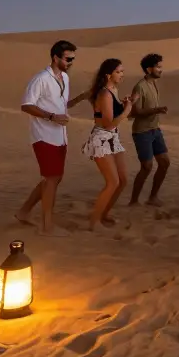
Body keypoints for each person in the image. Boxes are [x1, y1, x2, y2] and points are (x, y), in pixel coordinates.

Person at [16, 40, 86, 236]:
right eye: (68, 59)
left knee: (54, 178)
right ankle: (47, 226)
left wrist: (82, 97)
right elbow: (26, 105)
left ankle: (24, 212)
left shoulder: (65, 78)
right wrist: (51, 117)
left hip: (60, 136)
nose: (71, 62)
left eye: (73, 59)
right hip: (43, 135)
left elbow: (62, 104)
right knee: (51, 179)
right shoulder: (41, 79)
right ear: (56, 58)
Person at [80, 59, 136, 231]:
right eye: (118, 72)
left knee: (123, 180)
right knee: (112, 182)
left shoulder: (113, 90)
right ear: (108, 75)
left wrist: (125, 105)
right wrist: (126, 110)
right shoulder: (104, 94)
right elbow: (108, 124)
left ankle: (104, 214)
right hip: (101, 139)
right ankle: (94, 222)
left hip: (113, 138)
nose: (122, 75)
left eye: (122, 71)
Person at [128, 54, 170, 206]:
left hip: (155, 130)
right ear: (148, 69)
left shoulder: (154, 84)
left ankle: (153, 197)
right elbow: (136, 111)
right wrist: (156, 110)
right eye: (158, 67)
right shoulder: (140, 87)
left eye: (161, 66)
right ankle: (133, 201)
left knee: (164, 163)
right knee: (146, 167)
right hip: (142, 132)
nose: (161, 69)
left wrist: (156, 111)